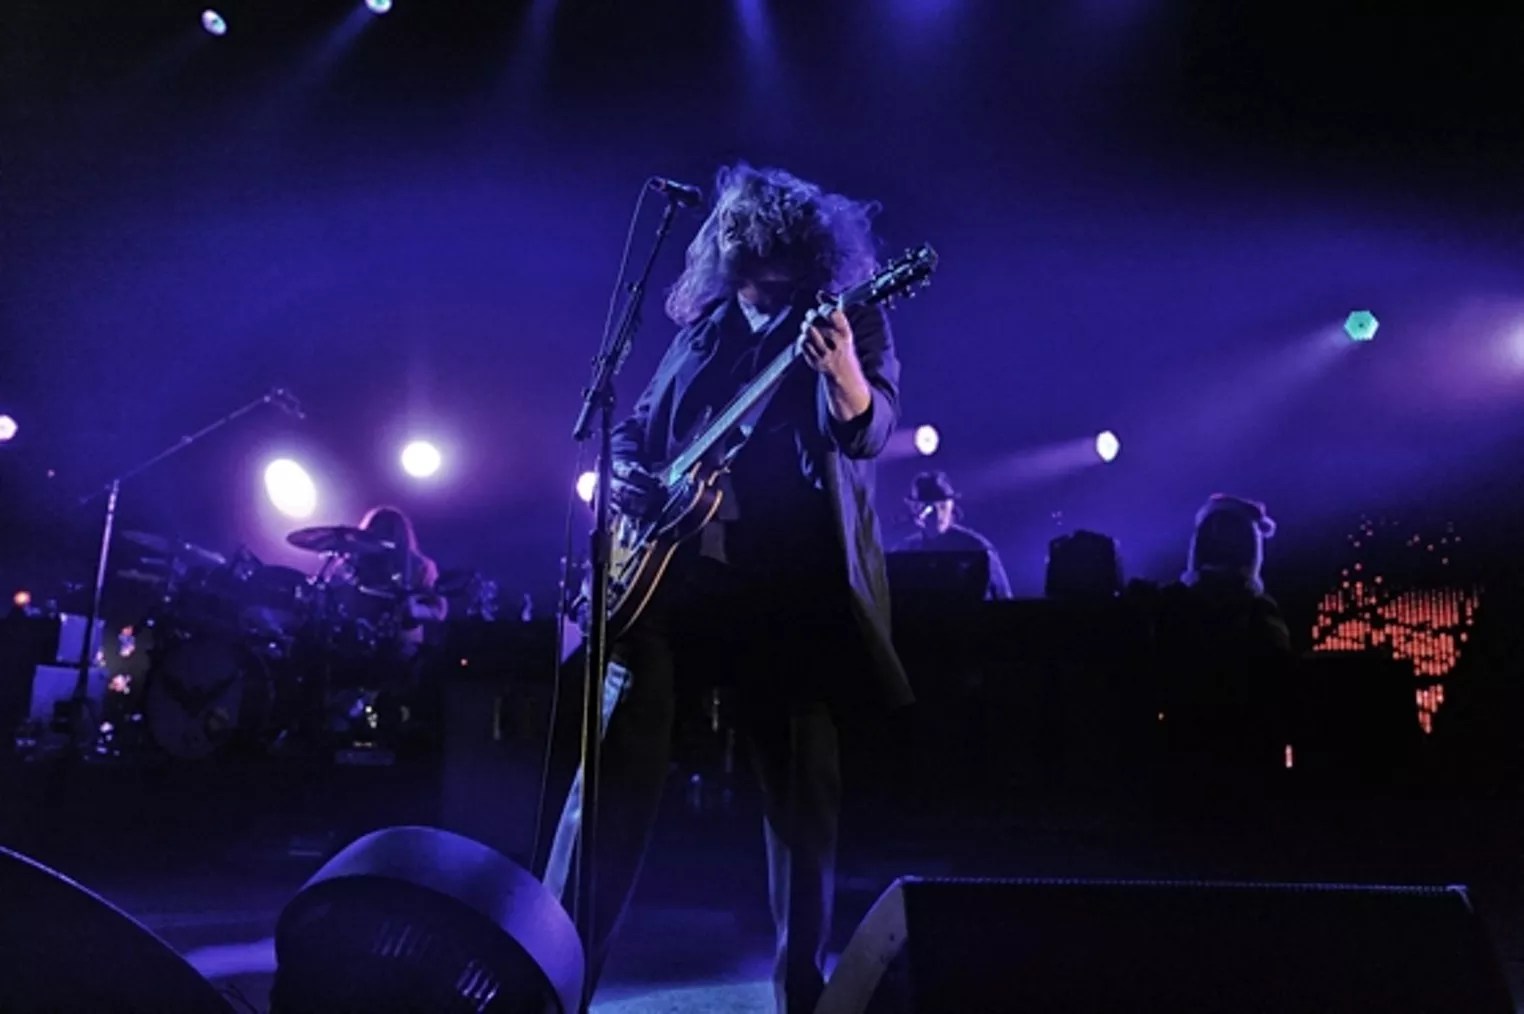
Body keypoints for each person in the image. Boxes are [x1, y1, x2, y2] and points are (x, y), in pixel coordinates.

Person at [544, 162, 912, 1014]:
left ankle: (802, 994)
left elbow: (870, 431)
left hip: (787, 588)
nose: (747, 260)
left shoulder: (851, 316)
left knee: (801, 800)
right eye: (738, 244)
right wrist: (631, 477)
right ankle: (554, 976)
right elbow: (636, 428)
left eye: (765, 246)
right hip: (669, 585)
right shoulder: (705, 328)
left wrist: (842, 371)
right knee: (610, 774)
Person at [1151, 494, 1293, 794]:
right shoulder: (1259, 610)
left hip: (1183, 765)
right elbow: (1281, 684)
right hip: (1246, 766)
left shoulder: (1167, 604)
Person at [896, 470, 1012, 600]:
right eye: (928, 506)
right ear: (915, 509)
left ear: (952, 506)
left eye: (942, 506)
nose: (937, 514)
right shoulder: (905, 550)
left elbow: (1003, 597)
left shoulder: (977, 548)